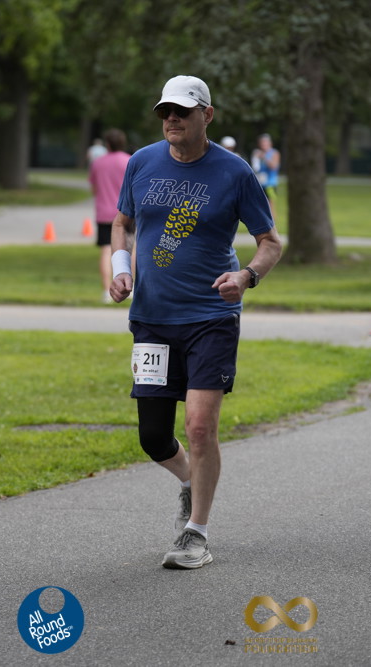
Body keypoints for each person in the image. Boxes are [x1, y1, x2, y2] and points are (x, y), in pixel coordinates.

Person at [109, 75, 282, 569]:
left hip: (211, 317)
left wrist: (246, 276)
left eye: (182, 111)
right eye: (165, 111)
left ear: (207, 115)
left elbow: (270, 242)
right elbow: (122, 222)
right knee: (152, 437)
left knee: (200, 427)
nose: (171, 119)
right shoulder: (142, 162)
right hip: (152, 319)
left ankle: (196, 534)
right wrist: (120, 268)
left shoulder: (235, 172)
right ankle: (189, 481)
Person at [89, 128, 131, 304]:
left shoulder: (98, 163)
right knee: (131, 250)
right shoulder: (129, 161)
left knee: (106, 250)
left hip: (104, 213)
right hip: (127, 212)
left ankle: (107, 291)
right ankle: (130, 287)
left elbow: (94, 188)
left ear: (107, 144)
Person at [250, 133, 280, 220]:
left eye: (265, 142)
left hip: (270, 184)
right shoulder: (257, 153)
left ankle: (272, 224)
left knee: (270, 205)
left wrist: (264, 157)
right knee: (259, 205)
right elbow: (255, 168)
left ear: (270, 143)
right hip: (260, 183)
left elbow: (274, 166)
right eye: (261, 143)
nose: (263, 145)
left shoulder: (274, 153)